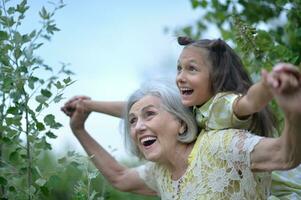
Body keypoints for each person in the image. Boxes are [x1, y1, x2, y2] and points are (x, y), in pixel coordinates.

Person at [62, 65, 301, 199]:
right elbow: (120, 178)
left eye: (149, 115)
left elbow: (285, 155)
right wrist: (80, 128)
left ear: (182, 123)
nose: (137, 127)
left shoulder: (219, 145)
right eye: (132, 121)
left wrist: (293, 111)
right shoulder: (160, 173)